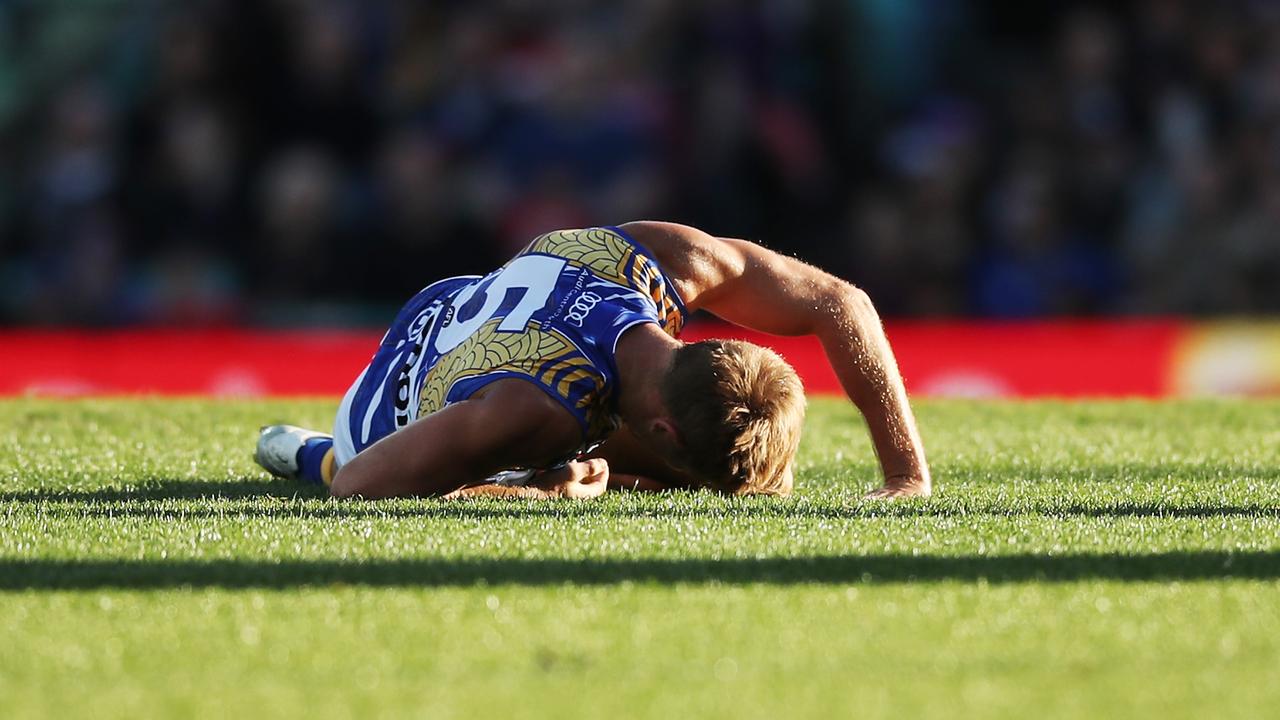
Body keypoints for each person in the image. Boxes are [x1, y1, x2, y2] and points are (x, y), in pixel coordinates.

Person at [254, 221, 931, 500]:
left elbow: (842, 303)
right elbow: (359, 488)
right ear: (663, 434)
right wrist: (524, 493)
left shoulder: (665, 262)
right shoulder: (540, 410)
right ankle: (312, 450)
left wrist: (907, 474)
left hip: (453, 305)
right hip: (383, 415)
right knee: (624, 467)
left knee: (714, 463)